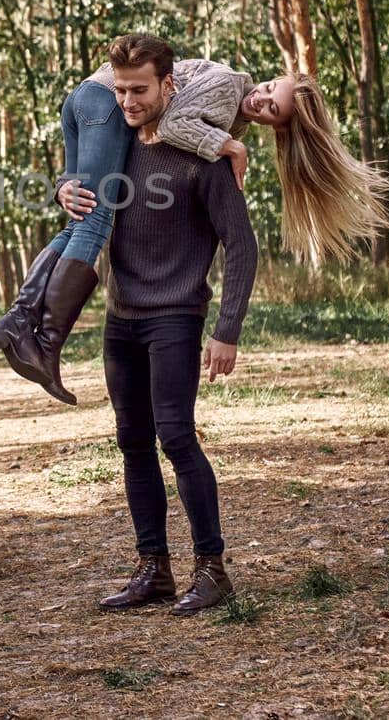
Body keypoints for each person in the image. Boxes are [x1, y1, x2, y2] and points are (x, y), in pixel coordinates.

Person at [0, 33, 389, 404]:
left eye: (272, 109)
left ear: (278, 128)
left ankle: (18, 323)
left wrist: (62, 186)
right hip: (102, 100)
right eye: (269, 89)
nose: (261, 100)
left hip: (86, 99)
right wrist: (227, 144)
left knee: (80, 215)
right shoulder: (229, 86)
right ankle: (43, 340)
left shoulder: (232, 114)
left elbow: (152, 141)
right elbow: (173, 123)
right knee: (94, 219)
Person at [75, 33, 258, 614]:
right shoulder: (118, 147)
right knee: (132, 441)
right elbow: (76, 175)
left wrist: (226, 329)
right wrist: (64, 188)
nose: (127, 101)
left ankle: (212, 570)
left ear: (168, 85)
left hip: (176, 316)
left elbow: (242, 246)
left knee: (175, 436)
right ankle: (153, 569)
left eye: (140, 90)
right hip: (120, 316)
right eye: (121, 89)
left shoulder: (204, 157)